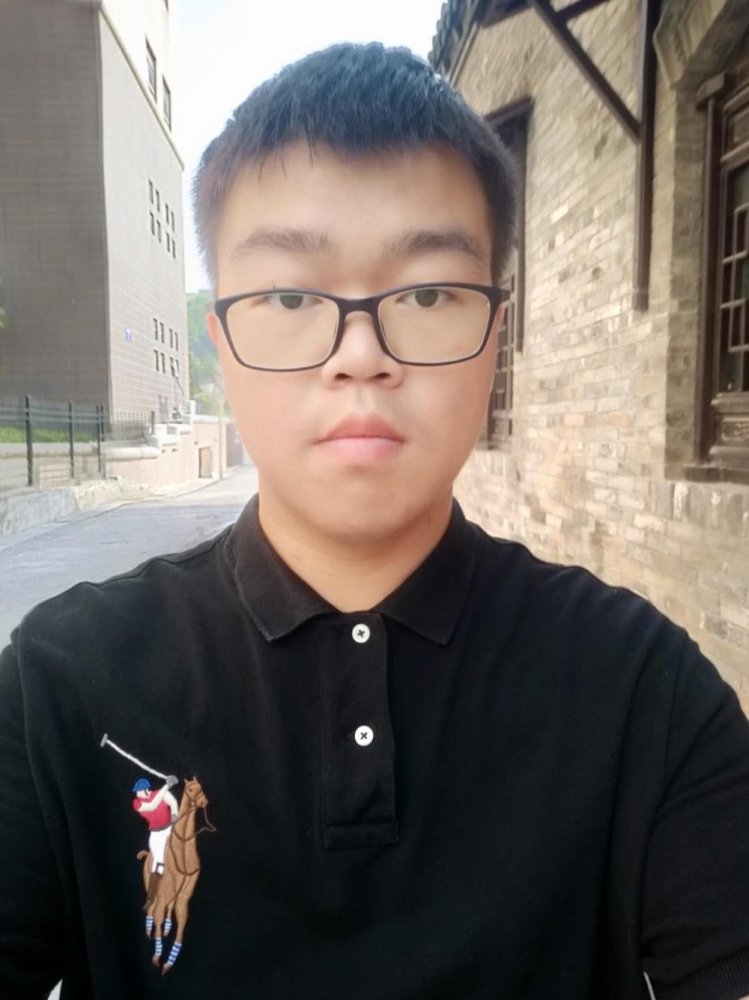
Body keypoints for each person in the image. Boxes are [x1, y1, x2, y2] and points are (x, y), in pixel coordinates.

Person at [2, 40, 749, 1000]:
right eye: (289, 295)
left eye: (428, 292)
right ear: (221, 344)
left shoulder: (642, 689)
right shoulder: (61, 686)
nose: (359, 354)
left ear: (494, 336)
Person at [131, 777, 180, 905]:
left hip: (170, 829)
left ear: (146, 790)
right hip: (157, 836)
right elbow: (152, 806)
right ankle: (150, 897)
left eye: (139, 791)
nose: (137, 794)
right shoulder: (137, 803)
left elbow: (173, 802)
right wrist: (166, 786)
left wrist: (174, 813)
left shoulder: (160, 793)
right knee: (159, 863)